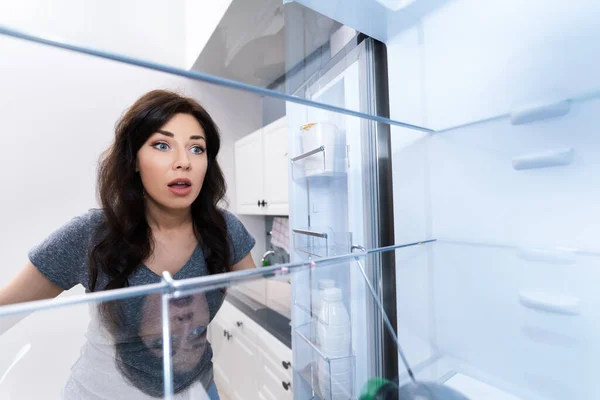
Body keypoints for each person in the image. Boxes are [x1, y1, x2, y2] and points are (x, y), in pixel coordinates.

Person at [0, 89, 256, 399]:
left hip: (197, 390)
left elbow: (261, 296)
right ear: (133, 159)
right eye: (162, 145)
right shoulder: (90, 235)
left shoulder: (224, 229)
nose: (183, 162)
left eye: (196, 149)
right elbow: (6, 308)